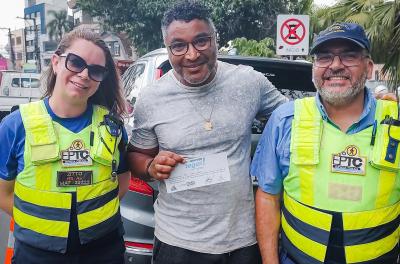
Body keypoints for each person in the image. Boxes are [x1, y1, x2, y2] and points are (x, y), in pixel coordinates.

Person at [127, 1, 287, 263]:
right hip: (177, 242)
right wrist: (151, 166)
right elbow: (136, 156)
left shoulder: (248, 82)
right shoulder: (152, 97)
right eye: (179, 46)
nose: (191, 55)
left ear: (215, 40)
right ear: (168, 47)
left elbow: (295, 119)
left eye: (201, 41)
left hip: (243, 241)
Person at [252, 22, 400, 264]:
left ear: (369, 66)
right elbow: (268, 196)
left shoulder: (394, 122)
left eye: (349, 56)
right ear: (314, 67)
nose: (335, 65)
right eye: (324, 57)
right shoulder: (285, 120)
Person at [0, 26, 130, 264]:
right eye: (76, 62)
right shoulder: (15, 126)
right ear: (57, 62)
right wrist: (43, 223)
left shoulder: (112, 127)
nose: (84, 74)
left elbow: (121, 183)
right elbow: (3, 193)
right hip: (37, 253)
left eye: (96, 70)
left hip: (104, 251)